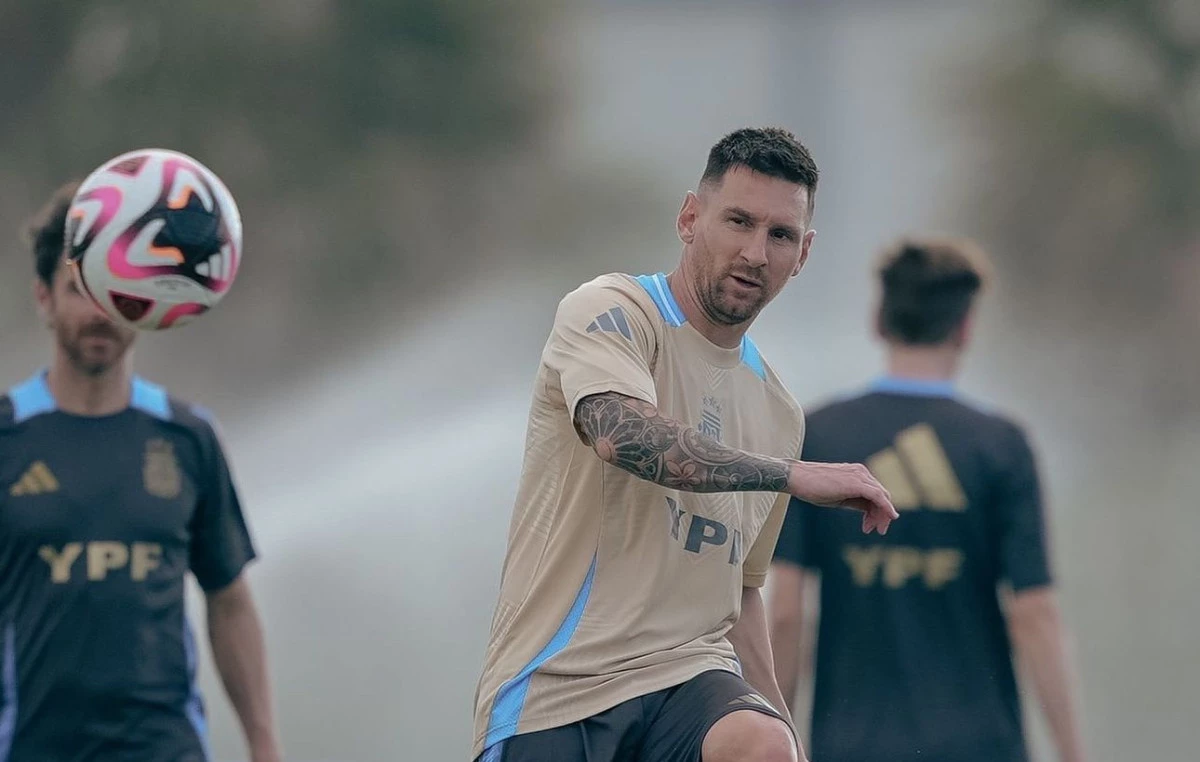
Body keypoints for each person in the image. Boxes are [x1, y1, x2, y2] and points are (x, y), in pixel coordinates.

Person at [470, 127, 898, 762]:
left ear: (803, 253)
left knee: (763, 746)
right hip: (560, 694)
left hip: (688, 680)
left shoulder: (778, 412)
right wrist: (789, 474)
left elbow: (739, 595)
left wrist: (788, 735)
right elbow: (621, 436)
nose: (756, 252)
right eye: (739, 221)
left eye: (780, 235)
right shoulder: (614, 311)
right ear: (690, 219)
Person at [768, 237, 1089, 762]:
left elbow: (785, 613)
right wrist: (1072, 752)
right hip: (979, 747)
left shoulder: (819, 437)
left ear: (879, 321)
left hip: (852, 746)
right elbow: (1034, 614)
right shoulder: (1001, 445)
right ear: (964, 328)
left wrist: (777, 741)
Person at [0, 181, 283, 762]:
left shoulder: (188, 438)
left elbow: (229, 600)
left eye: (118, 291)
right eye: (80, 290)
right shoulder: (7, 436)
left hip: (165, 749)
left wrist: (263, 742)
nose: (100, 312)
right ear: (44, 299)